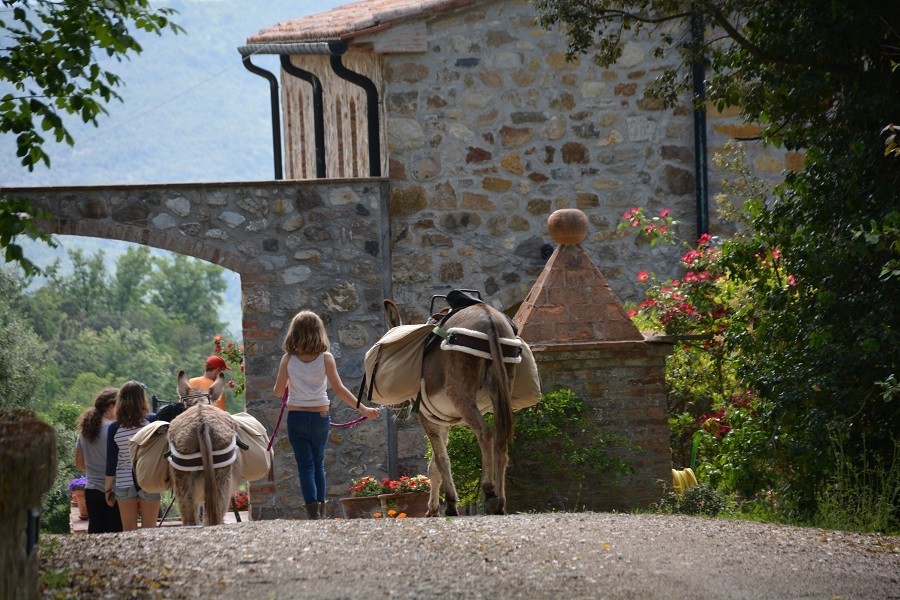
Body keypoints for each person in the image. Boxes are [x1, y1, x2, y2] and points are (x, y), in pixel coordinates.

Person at [274, 310, 380, 520]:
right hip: (320, 417)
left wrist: (291, 382)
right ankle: (321, 512)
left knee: (305, 465)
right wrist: (365, 410)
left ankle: (312, 512)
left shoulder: (288, 360)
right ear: (318, 332)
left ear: (293, 333)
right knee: (318, 464)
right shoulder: (326, 358)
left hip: (296, 418)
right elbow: (340, 390)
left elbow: (278, 391)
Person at [105, 381, 161, 530]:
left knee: (128, 531)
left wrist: (107, 489)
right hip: (149, 480)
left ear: (120, 400)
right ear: (142, 399)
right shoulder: (153, 421)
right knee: (150, 530)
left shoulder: (114, 428)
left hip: (124, 482)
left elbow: (111, 462)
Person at [75, 388, 123, 534]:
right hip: (114, 491)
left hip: (92, 490)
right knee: (116, 535)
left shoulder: (84, 432)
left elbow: (79, 464)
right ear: (111, 407)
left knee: (95, 534)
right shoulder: (116, 430)